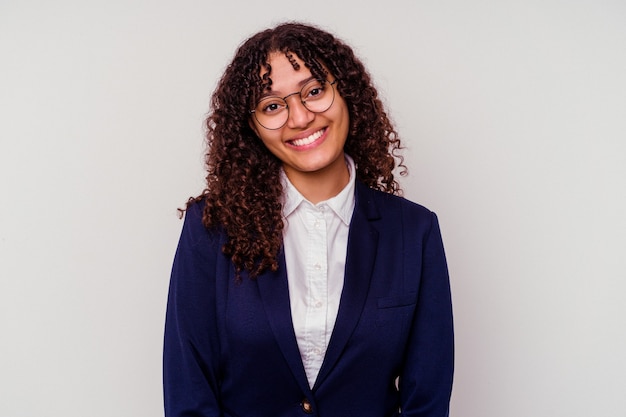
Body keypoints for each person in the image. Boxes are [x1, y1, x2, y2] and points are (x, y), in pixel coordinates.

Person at [163, 22, 454, 417]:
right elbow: (188, 391)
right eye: (272, 105)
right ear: (252, 127)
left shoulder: (414, 232)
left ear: (345, 93)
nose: (299, 117)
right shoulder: (210, 228)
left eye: (314, 91)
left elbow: (427, 400)